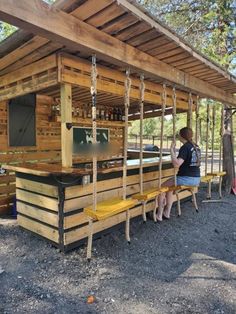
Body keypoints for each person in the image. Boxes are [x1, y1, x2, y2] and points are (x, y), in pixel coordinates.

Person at [156, 127, 201, 221]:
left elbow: (176, 164)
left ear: (181, 136)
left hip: (186, 178)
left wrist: (171, 150)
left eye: (179, 135)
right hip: (196, 178)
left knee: (161, 188)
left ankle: (159, 215)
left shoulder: (185, 147)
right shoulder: (195, 146)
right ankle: (166, 213)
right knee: (169, 189)